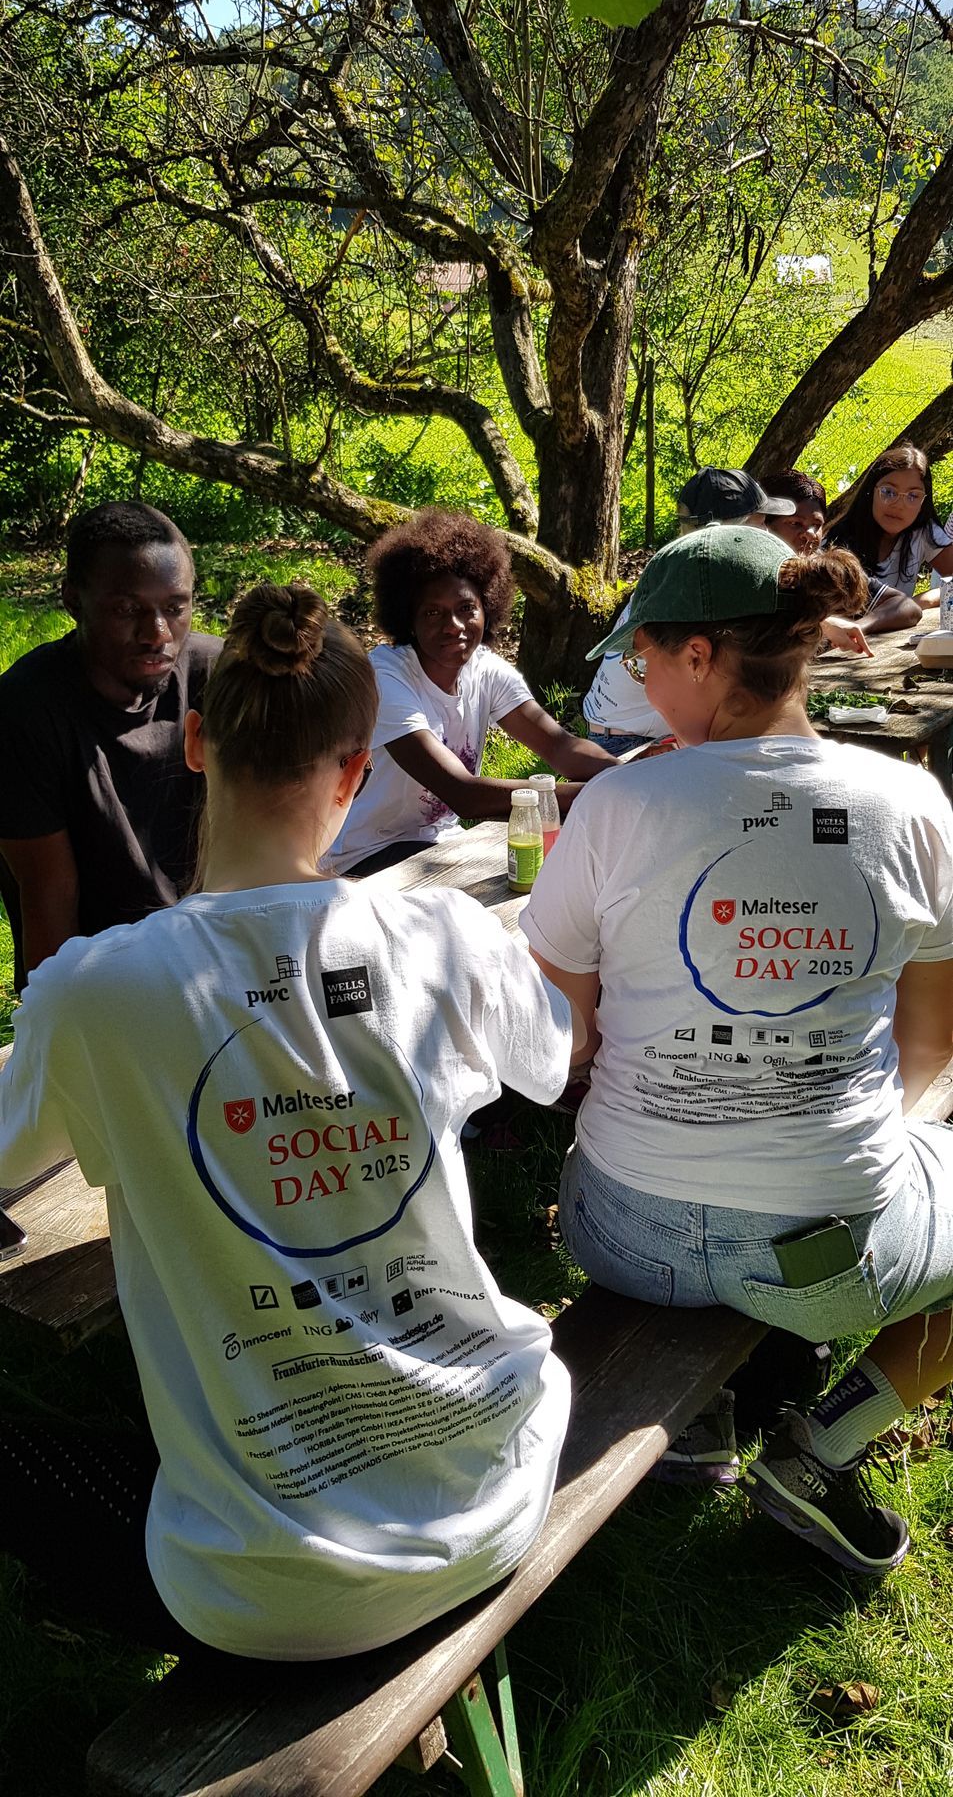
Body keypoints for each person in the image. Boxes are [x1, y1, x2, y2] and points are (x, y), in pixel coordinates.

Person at [0, 583, 576, 1658]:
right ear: (356, 771)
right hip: (495, 1478)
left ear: (197, 745)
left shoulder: (95, 990)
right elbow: (548, 1061)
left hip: (264, 1597)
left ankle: (86, 1610)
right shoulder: (444, 931)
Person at [523, 524, 953, 1576]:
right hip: (832, 1253)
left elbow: (559, 1034)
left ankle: (708, 1411)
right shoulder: (907, 802)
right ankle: (824, 1442)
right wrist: (855, 1140)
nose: (636, 678)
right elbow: (930, 1040)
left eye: (641, 656)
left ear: (701, 656)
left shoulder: (614, 803)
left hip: (620, 1229)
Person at [0, 499, 218, 992]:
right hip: (102, 972)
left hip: (214, 949)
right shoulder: (24, 711)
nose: (157, 633)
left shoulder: (217, 676)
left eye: (175, 608)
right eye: (127, 610)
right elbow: (49, 894)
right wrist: (58, 1028)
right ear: (73, 601)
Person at [330, 509, 617, 876]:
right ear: (409, 620)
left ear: (487, 609)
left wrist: (622, 774)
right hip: (363, 858)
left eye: (467, 608)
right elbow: (462, 793)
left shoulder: (484, 668)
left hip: (437, 846)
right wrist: (599, 797)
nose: (454, 626)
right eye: (433, 613)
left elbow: (559, 746)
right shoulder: (386, 679)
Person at [583, 466, 797, 755]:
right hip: (628, 742)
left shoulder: (681, 577)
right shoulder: (692, 592)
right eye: (760, 525)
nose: (767, 533)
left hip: (653, 731)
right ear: (731, 531)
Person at [763, 468, 922, 636]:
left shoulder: (826, 572)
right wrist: (824, 627)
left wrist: (858, 626)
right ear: (764, 524)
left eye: (817, 525)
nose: (810, 534)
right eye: (795, 523)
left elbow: (907, 607)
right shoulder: (753, 572)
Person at [824, 442, 953, 602]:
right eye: (888, 492)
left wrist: (917, 603)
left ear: (923, 503)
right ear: (871, 492)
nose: (899, 505)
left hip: (898, 625)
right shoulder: (836, 542)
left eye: (913, 496)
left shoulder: (923, 532)